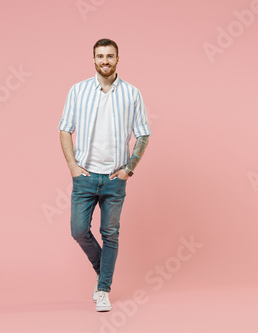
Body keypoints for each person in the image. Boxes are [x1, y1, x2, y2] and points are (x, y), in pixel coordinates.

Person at [58, 38, 151, 311]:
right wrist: (73, 167)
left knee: (110, 233)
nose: (105, 61)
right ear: (94, 59)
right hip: (84, 177)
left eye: (110, 56)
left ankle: (103, 289)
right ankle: (104, 270)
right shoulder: (78, 91)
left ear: (117, 59)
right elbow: (65, 129)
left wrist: (128, 169)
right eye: (100, 56)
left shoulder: (132, 93)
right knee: (78, 230)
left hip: (114, 179)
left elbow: (143, 133)